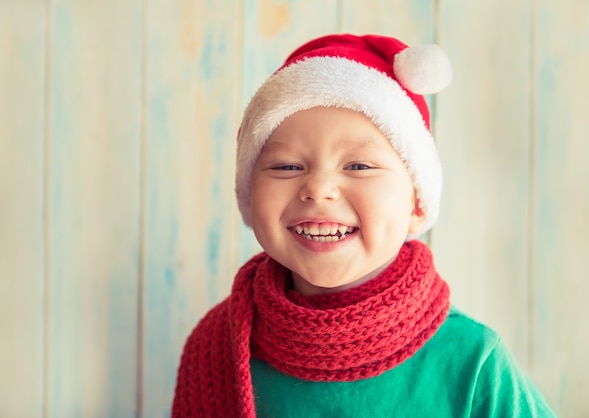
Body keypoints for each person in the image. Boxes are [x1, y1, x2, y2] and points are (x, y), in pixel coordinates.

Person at [172, 33, 556, 417]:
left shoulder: (473, 362)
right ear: (249, 196)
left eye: (358, 166)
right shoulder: (218, 347)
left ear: (416, 204)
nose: (318, 189)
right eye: (286, 166)